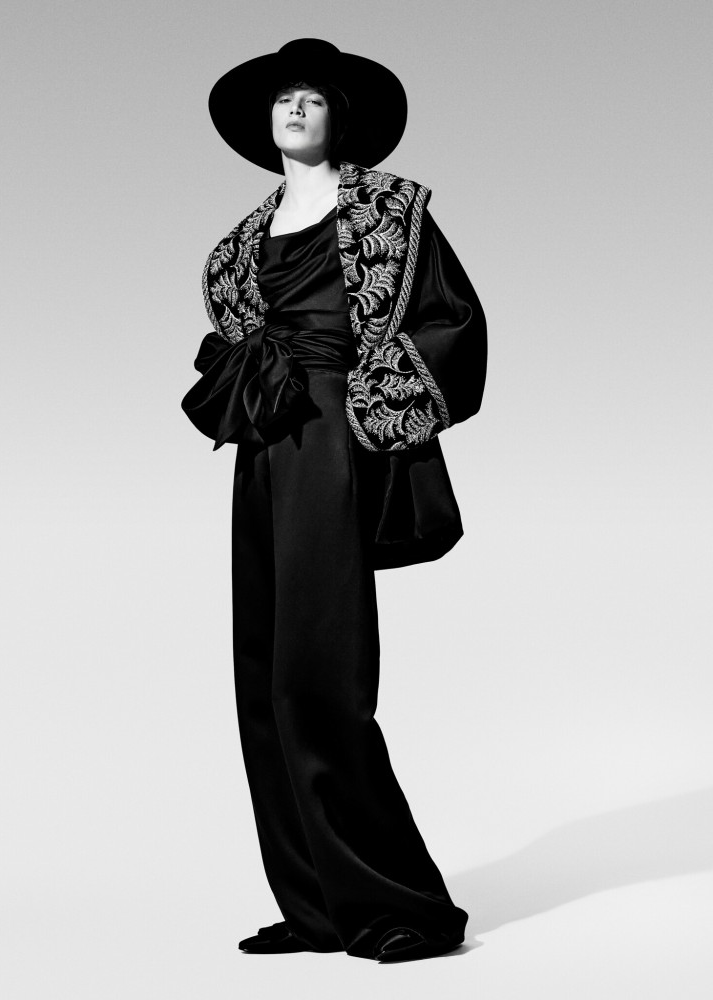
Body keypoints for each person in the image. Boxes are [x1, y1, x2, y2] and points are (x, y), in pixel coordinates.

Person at [182, 38, 487, 963]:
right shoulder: (239, 243)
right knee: (262, 679)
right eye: (285, 97)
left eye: (313, 97)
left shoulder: (392, 213)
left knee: (321, 677)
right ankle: (316, 906)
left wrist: (370, 406)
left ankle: (400, 907)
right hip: (264, 447)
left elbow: (455, 324)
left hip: (332, 443)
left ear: (339, 118)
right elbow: (236, 340)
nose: (297, 108)